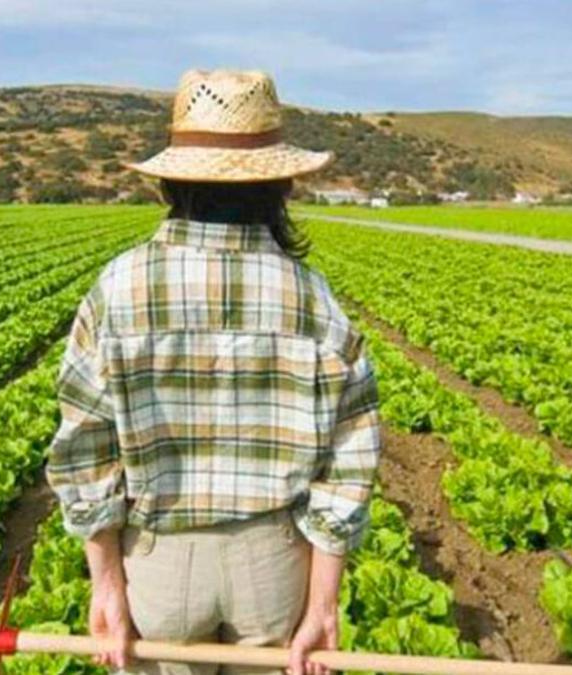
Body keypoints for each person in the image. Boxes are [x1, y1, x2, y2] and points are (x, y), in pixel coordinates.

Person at [46, 68, 381, 675]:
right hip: (273, 564)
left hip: (161, 563)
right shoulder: (312, 297)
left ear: (171, 182)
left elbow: (84, 451)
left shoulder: (118, 288)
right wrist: (324, 604)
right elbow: (350, 458)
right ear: (281, 184)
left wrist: (107, 586)